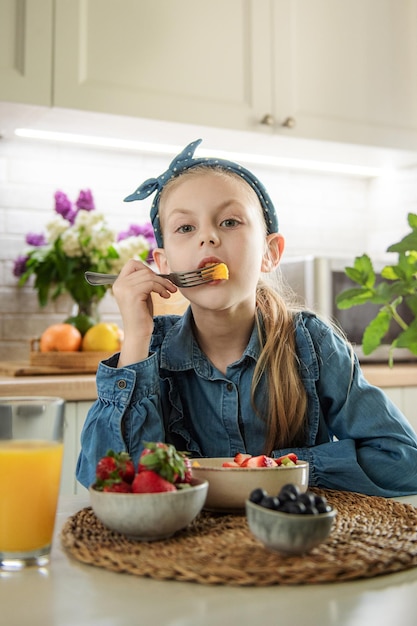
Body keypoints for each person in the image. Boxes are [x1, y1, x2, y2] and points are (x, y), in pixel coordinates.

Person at [76, 139, 417, 497]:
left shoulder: (313, 344)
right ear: (164, 266)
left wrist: (278, 470)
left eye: (229, 221)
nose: (207, 237)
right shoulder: (149, 349)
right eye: (185, 228)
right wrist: (136, 336)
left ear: (270, 253)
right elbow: (109, 481)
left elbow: (403, 459)